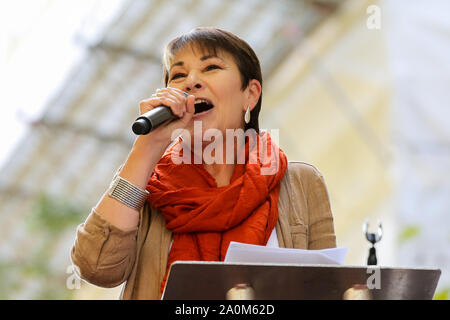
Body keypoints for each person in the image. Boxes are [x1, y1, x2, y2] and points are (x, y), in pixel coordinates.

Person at [70, 26, 336, 300]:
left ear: (250, 94)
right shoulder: (146, 188)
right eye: (179, 75)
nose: (191, 82)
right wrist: (148, 147)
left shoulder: (301, 183)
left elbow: (330, 288)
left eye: (210, 68)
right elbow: (96, 267)